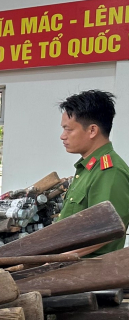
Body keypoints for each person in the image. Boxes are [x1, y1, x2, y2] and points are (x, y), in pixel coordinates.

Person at [58, 90, 129, 255]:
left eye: (68, 129)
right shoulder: (87, 169)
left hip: (88, 274)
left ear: (92, 131)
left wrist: (52, 259)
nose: (63, 136)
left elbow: (106, 231)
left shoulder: (110, 171)